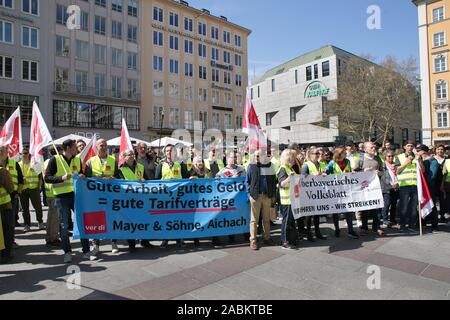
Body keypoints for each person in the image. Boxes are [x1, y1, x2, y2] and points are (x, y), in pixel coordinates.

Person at [44, 139, 95, 263]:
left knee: (81, 222)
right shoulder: (55, 160)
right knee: (64, 225)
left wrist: (83, 175)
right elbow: (47, 178)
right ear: (67, 148)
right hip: (61, 197)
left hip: (76, 196)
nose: (76, 149)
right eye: (74, 147)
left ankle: (86, 251)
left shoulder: (77, 159)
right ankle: (67, 252)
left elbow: (81, 174)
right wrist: (61, 178)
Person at [84, 139, 124, 257]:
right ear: (96, 147)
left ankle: (113, 242)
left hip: (110, 195)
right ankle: (95, 244)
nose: (104, 147)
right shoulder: (90, 161)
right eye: (101, 145)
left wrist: (113, 178)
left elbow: (118, 176)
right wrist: (95, 177)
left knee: (111, 218)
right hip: (96, 196)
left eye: (105, 145)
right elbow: (86, 179)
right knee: (96, 219)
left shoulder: (113, 160)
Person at [155, 144, 189, 248]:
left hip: (178, 196)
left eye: (171, 150)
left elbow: (186, 177)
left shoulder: (180, 164)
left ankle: (179, 238)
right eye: (167, 151)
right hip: (165, 197)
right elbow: (156, 180)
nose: (169, 152)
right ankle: (165, 239)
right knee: (165, 218)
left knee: (178, 217)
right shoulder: (160, 165)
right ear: (164, 153)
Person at [118, 149, 151, 252]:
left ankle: (145, 241)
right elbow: (120, 184)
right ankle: (131, 244)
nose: (132, 156)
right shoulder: (120, 169)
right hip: (128, 200)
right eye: (129, 154)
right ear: (124, 157)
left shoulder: (140, 167)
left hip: (140, 199)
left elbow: (147, 181)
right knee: (130, 221)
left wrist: (144, 181)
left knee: (143, 220)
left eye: (132, 154)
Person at [246, 149, 277, 251]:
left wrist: (273, 196)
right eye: (255, 156)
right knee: (254, 220)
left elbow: (273, 181)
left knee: (266, 219)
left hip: (267, 196)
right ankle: (253, 240)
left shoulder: (270, 165)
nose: (256, 158)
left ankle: (267, 238)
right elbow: (247, 181)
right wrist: (249, 194)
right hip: (255, 196)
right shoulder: (251, 166)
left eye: (258, 156)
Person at [325, 147, 359, 239]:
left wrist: (353, 174)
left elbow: (349, 172)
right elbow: (326, 173)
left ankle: (350, 230)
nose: (346, 154)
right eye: (344, 152)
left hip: (347, 189)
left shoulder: (347, 161)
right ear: (340, 154)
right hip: (335, 190)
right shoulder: (332, 163)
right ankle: (337, 229)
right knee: (335, 210)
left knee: (349, 210)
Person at [354, 142, 385, 236]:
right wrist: (363, 171)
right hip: (364, 188)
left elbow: (382, 171)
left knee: (377, 208)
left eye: (374, 147)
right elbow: (354, 172)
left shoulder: (377, 158)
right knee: (365, 208)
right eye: (371, 147)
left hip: (376, 187)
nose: (374, 148)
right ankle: (364, 227)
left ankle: (376, 227)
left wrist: (379, 173)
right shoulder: (360, 159)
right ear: (365, 149)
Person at [395, 140, 425, 232]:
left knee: (413, 206)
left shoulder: (417, 157)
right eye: (408, 146)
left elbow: (423, 170)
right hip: (404, 184)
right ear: (404, 147)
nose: (410, 147)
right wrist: (407, 162)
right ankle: (402, 224)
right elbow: (397, 170)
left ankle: (411, 225)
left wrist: (419, 161)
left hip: (415, 184)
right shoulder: (399, 157)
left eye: (412, 146)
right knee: (404, 206)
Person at [301, 147, 327, 241]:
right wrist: (313, 176)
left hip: (319, 192)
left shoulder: (321, 164)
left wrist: (324, 176)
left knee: (317, 214)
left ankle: (317, 231)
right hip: (309, 193)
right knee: (309, 215)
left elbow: (325, 176)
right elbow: (303, 178)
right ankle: (308, 233)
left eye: (318, 154)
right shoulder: (306, 165)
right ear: (310, 155)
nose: (318, 155)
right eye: (315, 154)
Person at [19, 148, 45, 232]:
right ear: (21, 154)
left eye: (27, 153)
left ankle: (40, 222)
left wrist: (39, 187)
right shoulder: (18, 165)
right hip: (23, 189)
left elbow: (40, 176)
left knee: (37, 206)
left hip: (34, 188)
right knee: (25, 208)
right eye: (24, 153)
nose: (25, 155)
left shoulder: (34, 164)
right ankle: (27, 224)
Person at [277, 149, 298, 250]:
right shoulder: (283, 168)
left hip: (292, 199)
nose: (295, 159)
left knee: (291, 222)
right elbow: (281, 183)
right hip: (287, 200)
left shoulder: (289, 168)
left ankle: (292, 239)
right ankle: (284, 241)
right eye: (293, 157)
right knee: (286, 222)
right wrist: (289, 178)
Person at [417, 144, 439, 231]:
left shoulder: (433, 161)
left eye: (419, 150)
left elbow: (432, 176)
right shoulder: (420, 160)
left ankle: (434, 224)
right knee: (422, 204)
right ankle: (422, 222)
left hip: (430, 187)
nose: (417, 152)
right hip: (422, 186)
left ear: (424, 151)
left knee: (431, 205)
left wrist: (424, 183)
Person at [43, 147, 60, 246]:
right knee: (55, 218)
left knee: (50, 217)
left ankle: (49, 236)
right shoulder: (56, 161)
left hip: (48, 192)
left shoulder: (46, 161)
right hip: (54, 192)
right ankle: (53, 238)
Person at [380, 149, 399, 228]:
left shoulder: (396, 165)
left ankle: (392, 219)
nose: (391, 158)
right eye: (389, 156)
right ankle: (385, 219)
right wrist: (391, 184)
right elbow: (384, 176)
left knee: (394, 204)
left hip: (396, 187)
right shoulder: (383, 165)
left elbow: (398, 175)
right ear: (385, 157)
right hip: (386, 187)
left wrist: (397, 183)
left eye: (392, 156)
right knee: (387, 204)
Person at [0, 161, 14, 264]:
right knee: (7, 231)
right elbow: (10, 188)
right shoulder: (3, 172)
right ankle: (6, 254)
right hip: (4, 206)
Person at [434, 145, 448, 223]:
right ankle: (434, 217)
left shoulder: (447, 160)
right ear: (435, 150)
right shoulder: (432, 159)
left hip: (443, 182)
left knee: (442, 200)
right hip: (433, 183)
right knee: (433, 201)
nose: (440, 151)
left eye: (442, 149)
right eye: (438, 149)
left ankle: (442, 216)